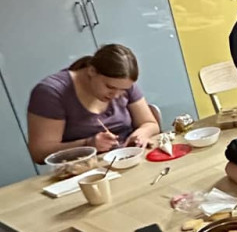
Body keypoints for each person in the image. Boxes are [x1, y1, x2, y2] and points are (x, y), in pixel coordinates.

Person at [27, 44, 158, 162]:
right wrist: (87, 144)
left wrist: (141, 134)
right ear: (92, 71)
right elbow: (39, 153)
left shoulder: (122, 82)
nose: (116, 95)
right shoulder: (52, 92)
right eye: (110, 87)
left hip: (130, 158)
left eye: (123, 90)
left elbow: (150, 123)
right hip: (84, 167)